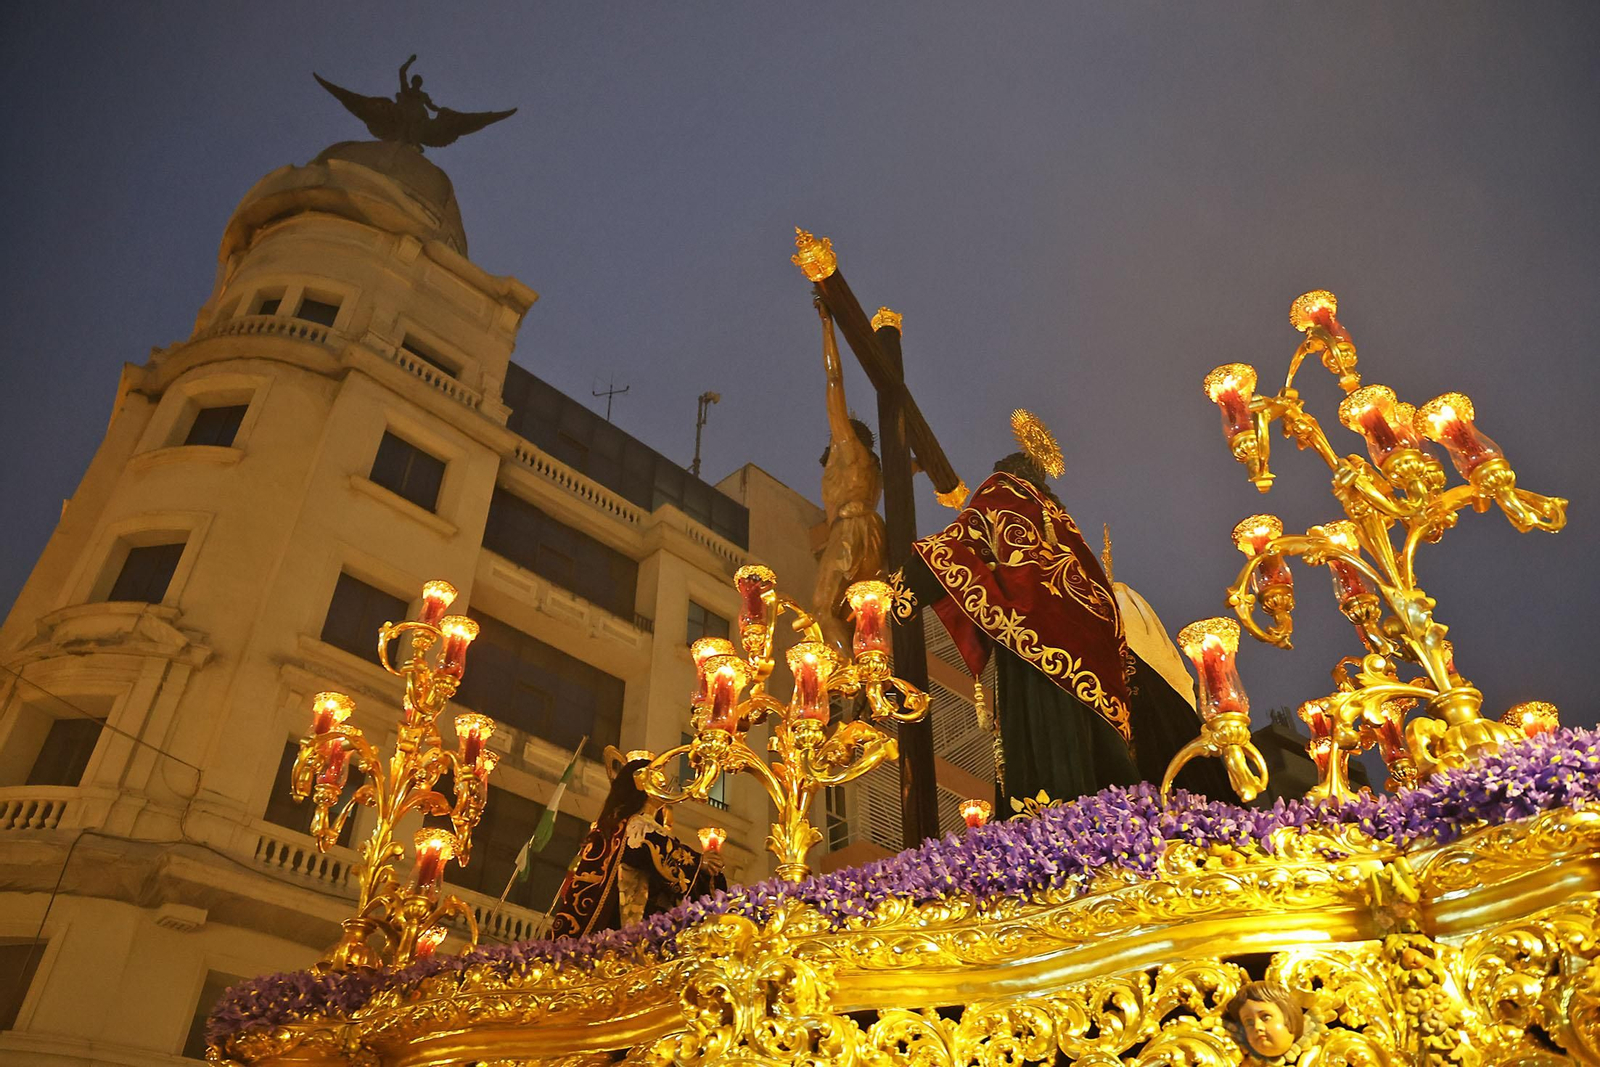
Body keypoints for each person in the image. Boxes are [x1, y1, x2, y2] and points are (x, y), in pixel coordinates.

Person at [904, 425, 1229, 809]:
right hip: (1094, 661)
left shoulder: (1003, 495)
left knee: (1046, 760)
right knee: (1098, 769)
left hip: (1038, 645)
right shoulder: (1061, 523)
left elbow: (958, 545)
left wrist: (898, 592)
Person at [548, 747, 726, 940]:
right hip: (621, 923)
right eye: (658, 780)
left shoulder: (621, 825)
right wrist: (701, 863)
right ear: (641, 784)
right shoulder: (637, 826)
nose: (665, 786)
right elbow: (662, 853)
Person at [810, 298, 887, 655]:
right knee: (856, 613)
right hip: (875, 538)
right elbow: (909, 467)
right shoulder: (876, 472)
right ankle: (868, 674)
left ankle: (849, 676)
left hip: (849, 533)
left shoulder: (847, 448)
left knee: (822, 609)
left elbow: (834, 379)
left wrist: (827, 325)